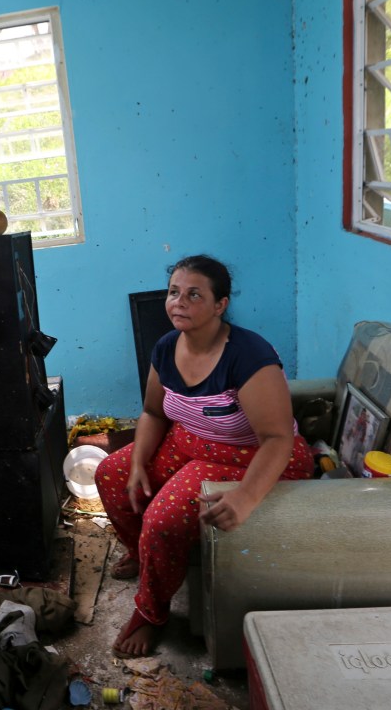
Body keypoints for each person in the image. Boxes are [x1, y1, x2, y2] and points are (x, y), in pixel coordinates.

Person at [95, 254, 314, 656]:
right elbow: (153, 412)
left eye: (194, 295)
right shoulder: (166, 348)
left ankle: (151, 612)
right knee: (111, 474)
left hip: (249, 455)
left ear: (220, 305)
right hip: (189, 441)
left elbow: (278, 438)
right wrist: (139, 462)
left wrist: (246, 497)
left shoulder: (248, 356)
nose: (179, 302)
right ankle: (145, 556)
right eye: (174, 292)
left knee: (162, 519)